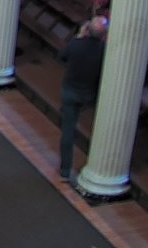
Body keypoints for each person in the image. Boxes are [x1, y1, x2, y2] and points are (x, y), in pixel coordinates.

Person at [59, 16, 107, 186]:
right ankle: (97, 167)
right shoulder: (104, 50)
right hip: (90, 94)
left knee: (68, 131)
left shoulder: (76, 44)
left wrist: (79, 37)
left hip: (70, 91)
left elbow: (62, 56)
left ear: (87, 30)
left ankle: (65, 171)